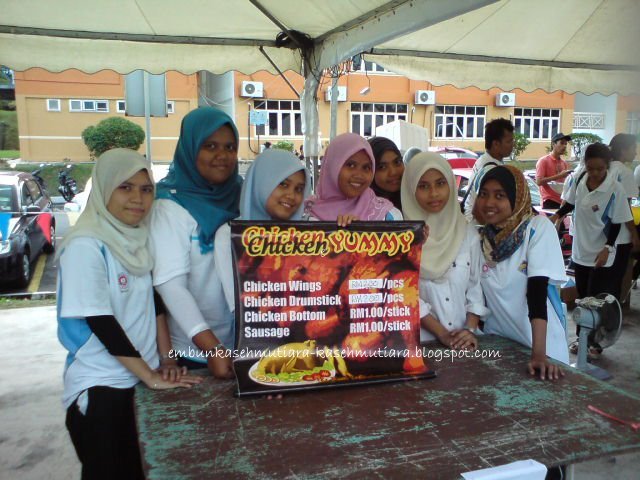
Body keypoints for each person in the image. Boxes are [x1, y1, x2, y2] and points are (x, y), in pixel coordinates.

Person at [57, 149, 199, 480]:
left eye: (146, 189)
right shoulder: (85, 245)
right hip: (101, 387)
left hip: (139, 379)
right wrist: (150, 376)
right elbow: (101, 322)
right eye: (125, 187)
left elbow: (153, 302)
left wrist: (166, 360)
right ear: (104, 189)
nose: (138, 198)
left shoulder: (136, 240)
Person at [151, 107, 242, 378]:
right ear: (190, 149)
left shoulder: (241, 195)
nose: (222, 155)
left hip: (242, 346)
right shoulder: (169, 205)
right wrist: (211, 347)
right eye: (210, 146)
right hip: (193, 352)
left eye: (230, 147)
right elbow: (170, 285)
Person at [476, 165, 569, 377]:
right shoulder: (480, 240)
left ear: (516, 198)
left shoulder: (536, 229)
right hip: (499, 345)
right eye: (484, 194)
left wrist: (539, 355)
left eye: (499, 196)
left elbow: (536, 293)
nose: (489, 203)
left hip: (540, 349)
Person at [553, 143, 633, 358]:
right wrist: (557, 215)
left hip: (602, 253)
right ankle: (582, 339)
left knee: (597, 299)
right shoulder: (580, 179)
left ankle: (595, 343)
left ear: (608, 166)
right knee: (582, 297)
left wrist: (607, 247)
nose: (595, 173)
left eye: (600, 169)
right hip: (581, 250)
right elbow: (570, 203)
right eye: (591, 168)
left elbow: (616, 223)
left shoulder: (615, 189)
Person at [401, 152, 488, 349]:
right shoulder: (402, 239)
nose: (434, 193)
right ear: (410, 190)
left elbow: (475, 288)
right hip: (421, 346)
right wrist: (442, 334)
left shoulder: (467, 233)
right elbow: (405, 294)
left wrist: (469, 330)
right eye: (423, 186)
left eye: (440, 183)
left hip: (465, 343)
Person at [216, 148, 312, 311]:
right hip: (254, 324)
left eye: (298, 189)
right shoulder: (230, 235)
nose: (291, 195)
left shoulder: (311, 234)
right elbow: (237, 305)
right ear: (261, 183)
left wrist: (349, 226)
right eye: (283, 184)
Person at [304, 132, 402, 225]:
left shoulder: (388, 215)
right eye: (351, 165)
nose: (359, 175)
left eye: (366, 167)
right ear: (332, 167)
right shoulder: (305, 215)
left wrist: (360, 232)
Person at [463, 118, 515, 221]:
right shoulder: (490, 169)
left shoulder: (486, 161)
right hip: (479, 225)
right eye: (509, 141)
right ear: (496, 144)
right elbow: (479, 208)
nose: (513, 145)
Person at [536, 133, 573, 210]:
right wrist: (559, 176)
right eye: (561, 143)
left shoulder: (564, 163)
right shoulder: (543, 161)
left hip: (562, 201)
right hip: (549, 200)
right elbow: (539, 182)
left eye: (566, 144)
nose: (564, 146)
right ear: (553, 144)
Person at [368, 136, 405, 211]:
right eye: (382, 167)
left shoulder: (418, 199)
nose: (393, 172)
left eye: (397, 162)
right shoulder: (363, 210)